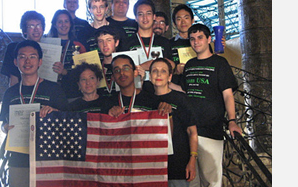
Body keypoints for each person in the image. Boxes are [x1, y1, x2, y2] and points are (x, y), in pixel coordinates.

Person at [0, 40, 68, 187]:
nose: (27, 61)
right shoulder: (10, 93)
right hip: (19, 159)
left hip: (49, 157)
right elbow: (3, 125)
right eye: (22, 57)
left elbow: (68, 121)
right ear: (16, 62)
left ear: (40, 61)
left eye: (33, 56)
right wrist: (5, 128)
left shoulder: (54, 89)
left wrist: (55, 112)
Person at [182, 24, 242, 187]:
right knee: (191, 181)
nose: (196, 42)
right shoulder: (189, 65)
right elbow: (184, 91)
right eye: (192, 39)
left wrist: (232, 120)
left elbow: (228, 95)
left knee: (211, 181)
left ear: (209, 39)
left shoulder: (220, 63)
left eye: (200, 37)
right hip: (189, 130)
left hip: (210, 130)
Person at [149, 58, 198, 187]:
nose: (159, 75)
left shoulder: (181, 99)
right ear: (149, 76)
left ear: (170, 77)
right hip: (152, 165)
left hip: (178, 162)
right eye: (155, 71)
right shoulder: (145, 100)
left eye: (163, 71)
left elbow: (192, 132)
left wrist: (192, 159)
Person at [102, 54, 171, 117]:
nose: (122, 73)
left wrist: (166, 110)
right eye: (117, 70)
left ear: (135, 73)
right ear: (113, 77)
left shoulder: (152, 100)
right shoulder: (108, 104)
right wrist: (109, 116)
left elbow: (165, 126)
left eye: (126, 68)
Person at [121, 0, 174, 72]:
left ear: (154, 17)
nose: (145, 18)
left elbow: (173, 66)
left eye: (148, 13)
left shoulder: (164, 42)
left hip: (159, 83)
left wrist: (154, 64)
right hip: (136, 83)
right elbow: (123, 69)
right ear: (136, 18)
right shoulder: (126, 42)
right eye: (140, 14)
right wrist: (143, 66)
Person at [93, 26, 145, 97]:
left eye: (109, 40)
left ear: (116, 42)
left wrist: (141, 80)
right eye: (100, 41)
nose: (104, 45)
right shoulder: (95, 68)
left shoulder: (128, 64)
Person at [47, 9, 87, 100]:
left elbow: (84, 72)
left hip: (73, 93)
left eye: (66, 21)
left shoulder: (79, 45)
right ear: (54, 24)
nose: (63, 25)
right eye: (60, 22)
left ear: (70, 24)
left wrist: (65, 72)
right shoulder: (47, 45)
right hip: (51, 93)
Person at [0, 10, 45, 86]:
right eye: (31, 26)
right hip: (23, 91)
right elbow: (13, 80)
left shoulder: (52, 49)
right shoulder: (13, 48)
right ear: (25, 31)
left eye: (39, 25)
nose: (36, 29)